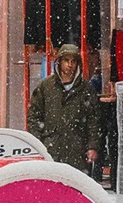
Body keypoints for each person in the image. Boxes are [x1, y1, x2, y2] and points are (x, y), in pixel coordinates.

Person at [26, 43, 100, 172]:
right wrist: (37, 144)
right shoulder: (46, 87)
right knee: (50, 185)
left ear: (78, 64)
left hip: (77, 148)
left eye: (73, 61)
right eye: (66, 60)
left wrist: (92, 146)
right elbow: (34, 116)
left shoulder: (85, 89)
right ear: (59, 62)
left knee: (75, 187)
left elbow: (93, 119)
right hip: (50, 146)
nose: (70, 64)